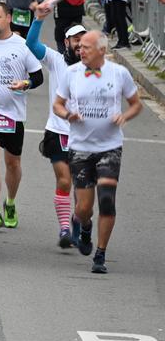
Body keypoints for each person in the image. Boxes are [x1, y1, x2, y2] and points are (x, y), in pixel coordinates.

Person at [52, 31, 142, 274]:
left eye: (86, 47)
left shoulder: (119, 73)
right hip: (80, 147)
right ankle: (82, 225)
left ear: (102, 50)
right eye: (79, 47)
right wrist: (67, 114)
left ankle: (100, 254)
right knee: (83, 208)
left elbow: (136, 104)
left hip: (109, 147)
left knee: (106, 200)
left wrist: (125, 115)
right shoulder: (71, 73)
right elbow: (57, 104)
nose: (81, 51)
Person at [0, 2, 44, 230]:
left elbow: (38, 77)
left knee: (13, 164)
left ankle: (10, 202)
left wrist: (26, 83)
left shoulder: (23, 46)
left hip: (13, 114)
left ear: (9, 18)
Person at [26, 4, 86, 248]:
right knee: (64, 181)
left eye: (84, 41)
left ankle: (76, 222)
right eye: (76, 40)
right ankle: (64, 229)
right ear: (67, 42)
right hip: (58, 132)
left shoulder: (94, 68)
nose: (80, 45)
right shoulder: (55, 60)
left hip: (85, 136)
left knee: (82, 189)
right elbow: (31, 45)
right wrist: (38, 19)